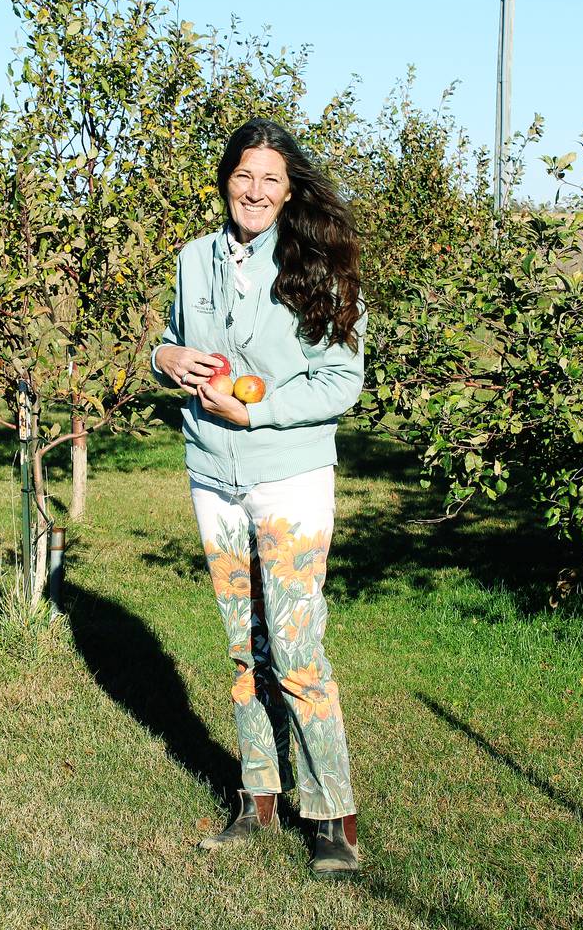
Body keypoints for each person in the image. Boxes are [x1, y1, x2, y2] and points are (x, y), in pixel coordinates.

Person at [150, 117, 367, 879]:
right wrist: (165, 356)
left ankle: (331, 813)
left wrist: (260, 409)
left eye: (271, 179)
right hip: (212, 474)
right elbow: (170, 344)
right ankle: (256, 794)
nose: (255, 190)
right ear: (226, 179)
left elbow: (344, 379)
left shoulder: (318, 266)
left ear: (289, 189)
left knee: (297, 648)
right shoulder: (192, 259)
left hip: (291, 476)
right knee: (244, 647)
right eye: (245, 175)